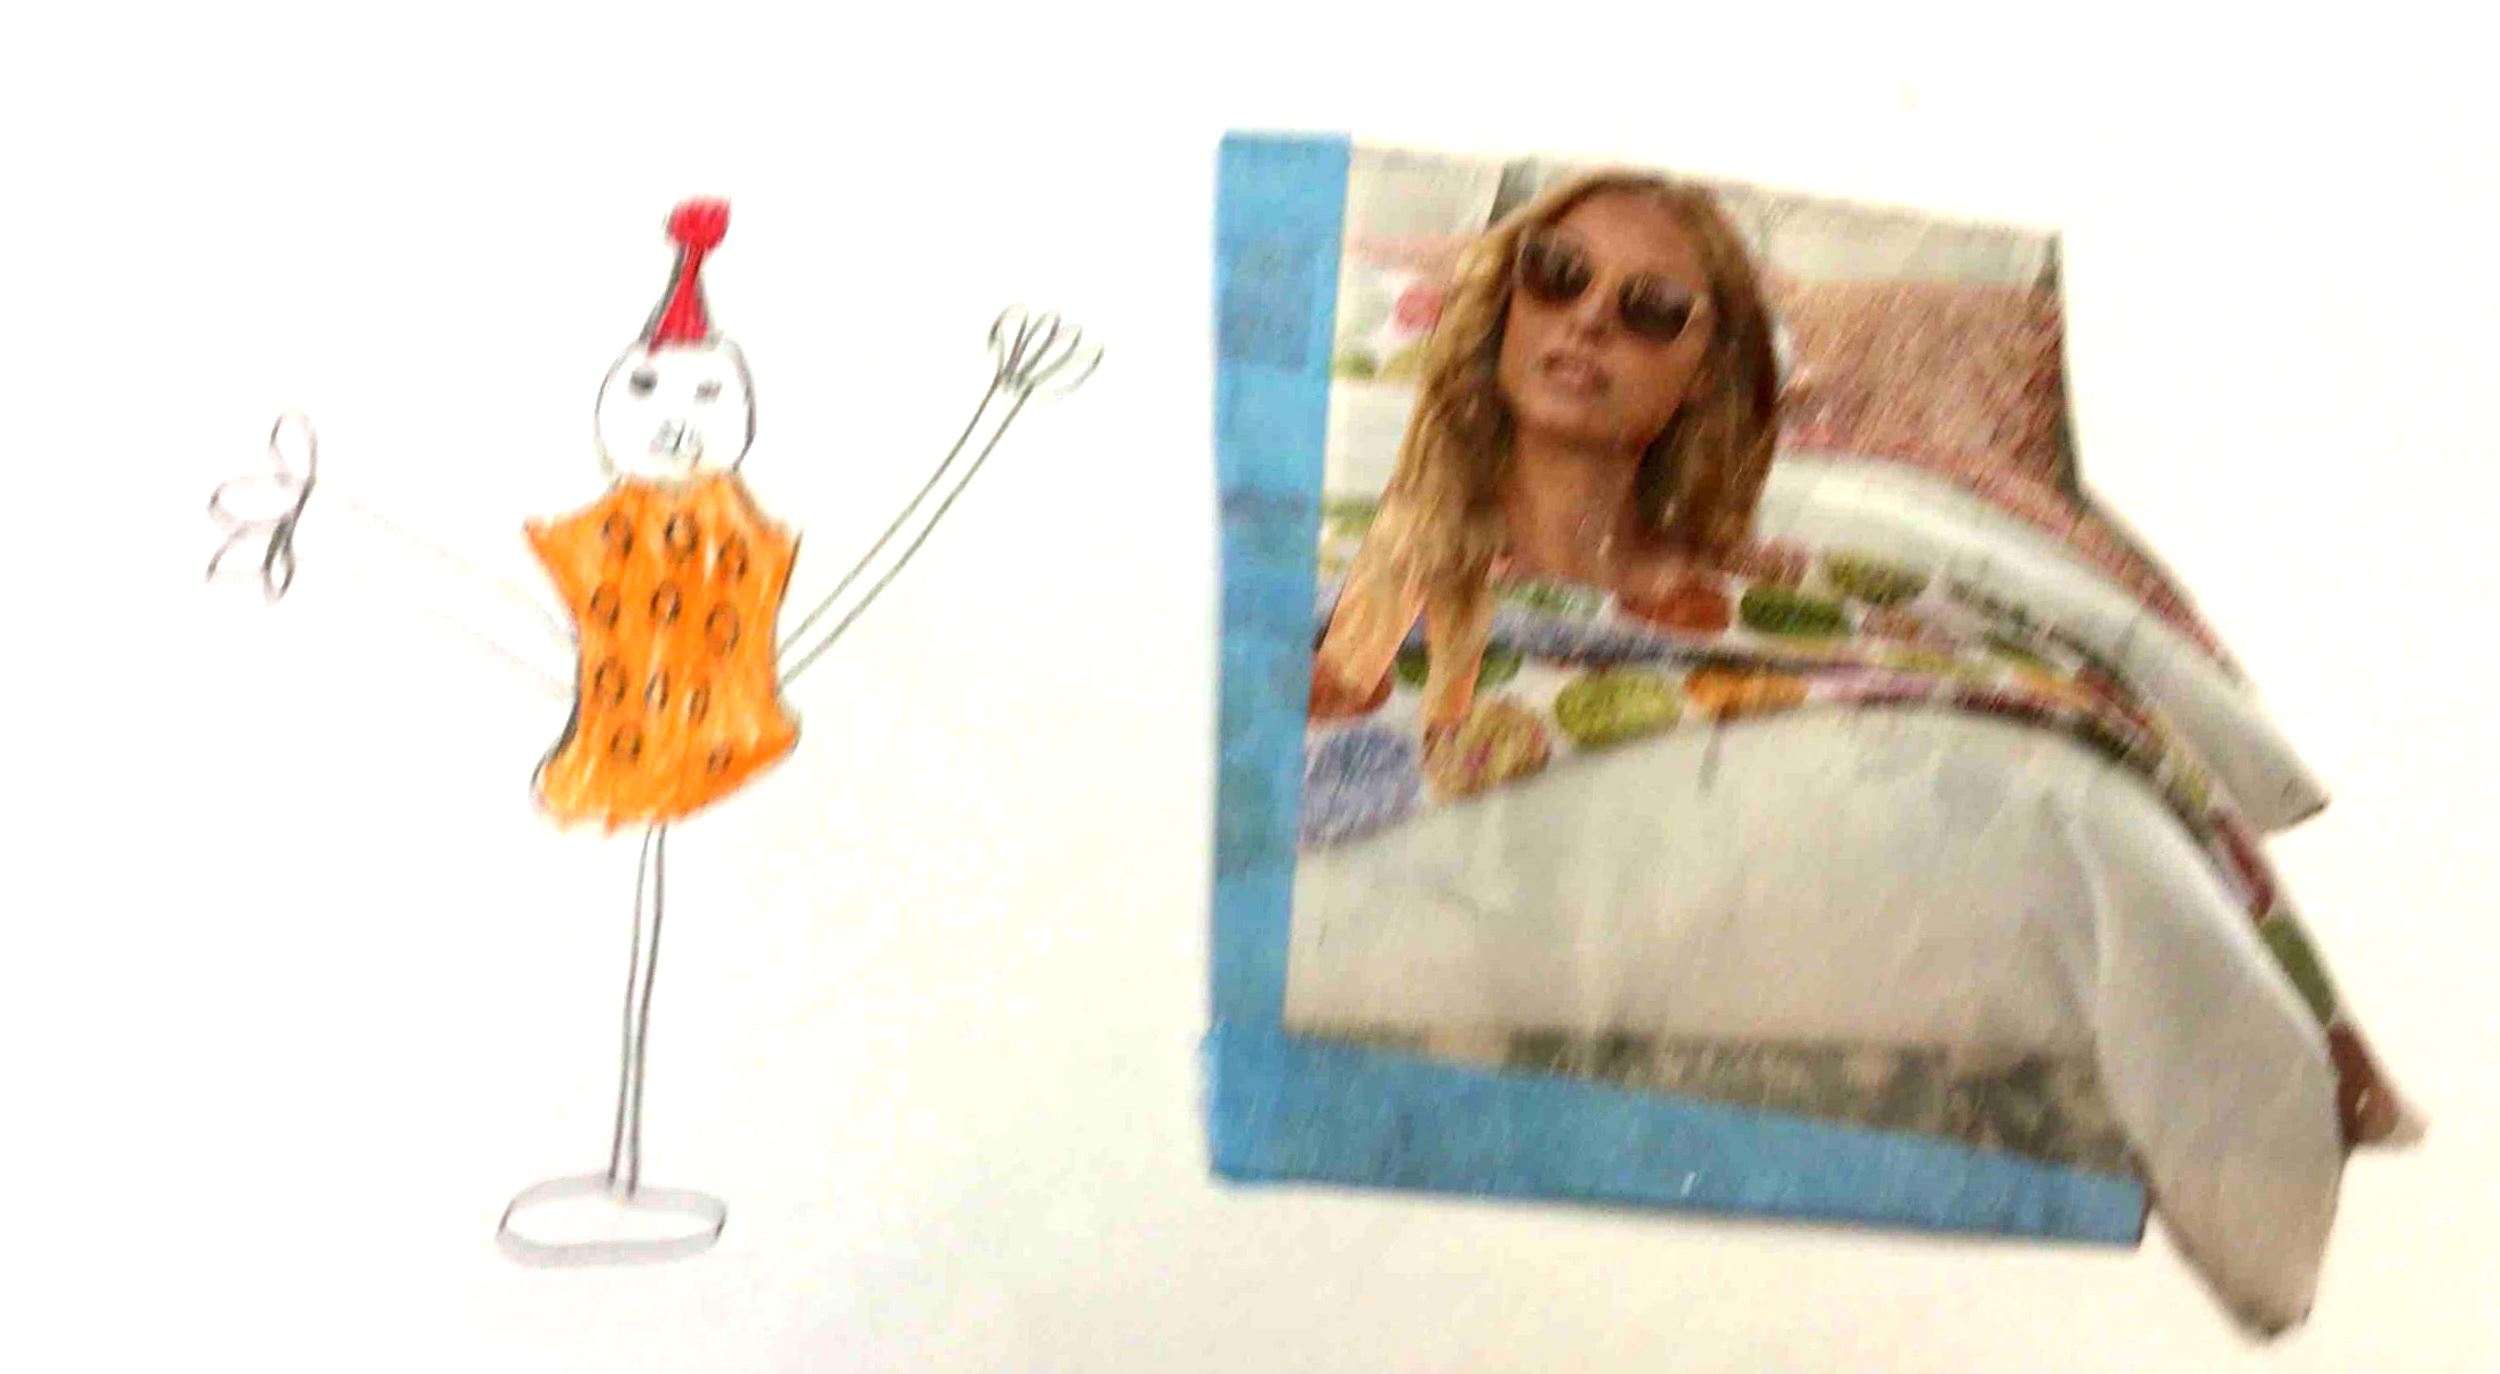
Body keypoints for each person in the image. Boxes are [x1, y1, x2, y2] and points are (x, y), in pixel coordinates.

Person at [1310, 170, 1783, 742]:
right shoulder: (1324, 569)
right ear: (1507, 301)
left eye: (1653, 306)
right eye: (1558, 271)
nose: (1589, 318)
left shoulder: (1768, 610)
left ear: (1707, 370)